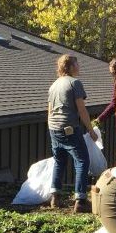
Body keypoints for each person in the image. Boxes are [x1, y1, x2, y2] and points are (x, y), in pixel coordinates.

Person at [48, 54, 99, 212]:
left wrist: (51, 128)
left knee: (59, 161)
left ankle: (55, 198)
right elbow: (82, 110)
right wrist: (91, 131)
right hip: (69, 128)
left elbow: (49, 111)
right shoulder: (74, 83)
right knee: (82, 161)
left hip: (53, 127)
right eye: (77, 63)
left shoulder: (54, 85)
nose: (79, 66)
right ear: (70, 67)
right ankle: (80, 201)